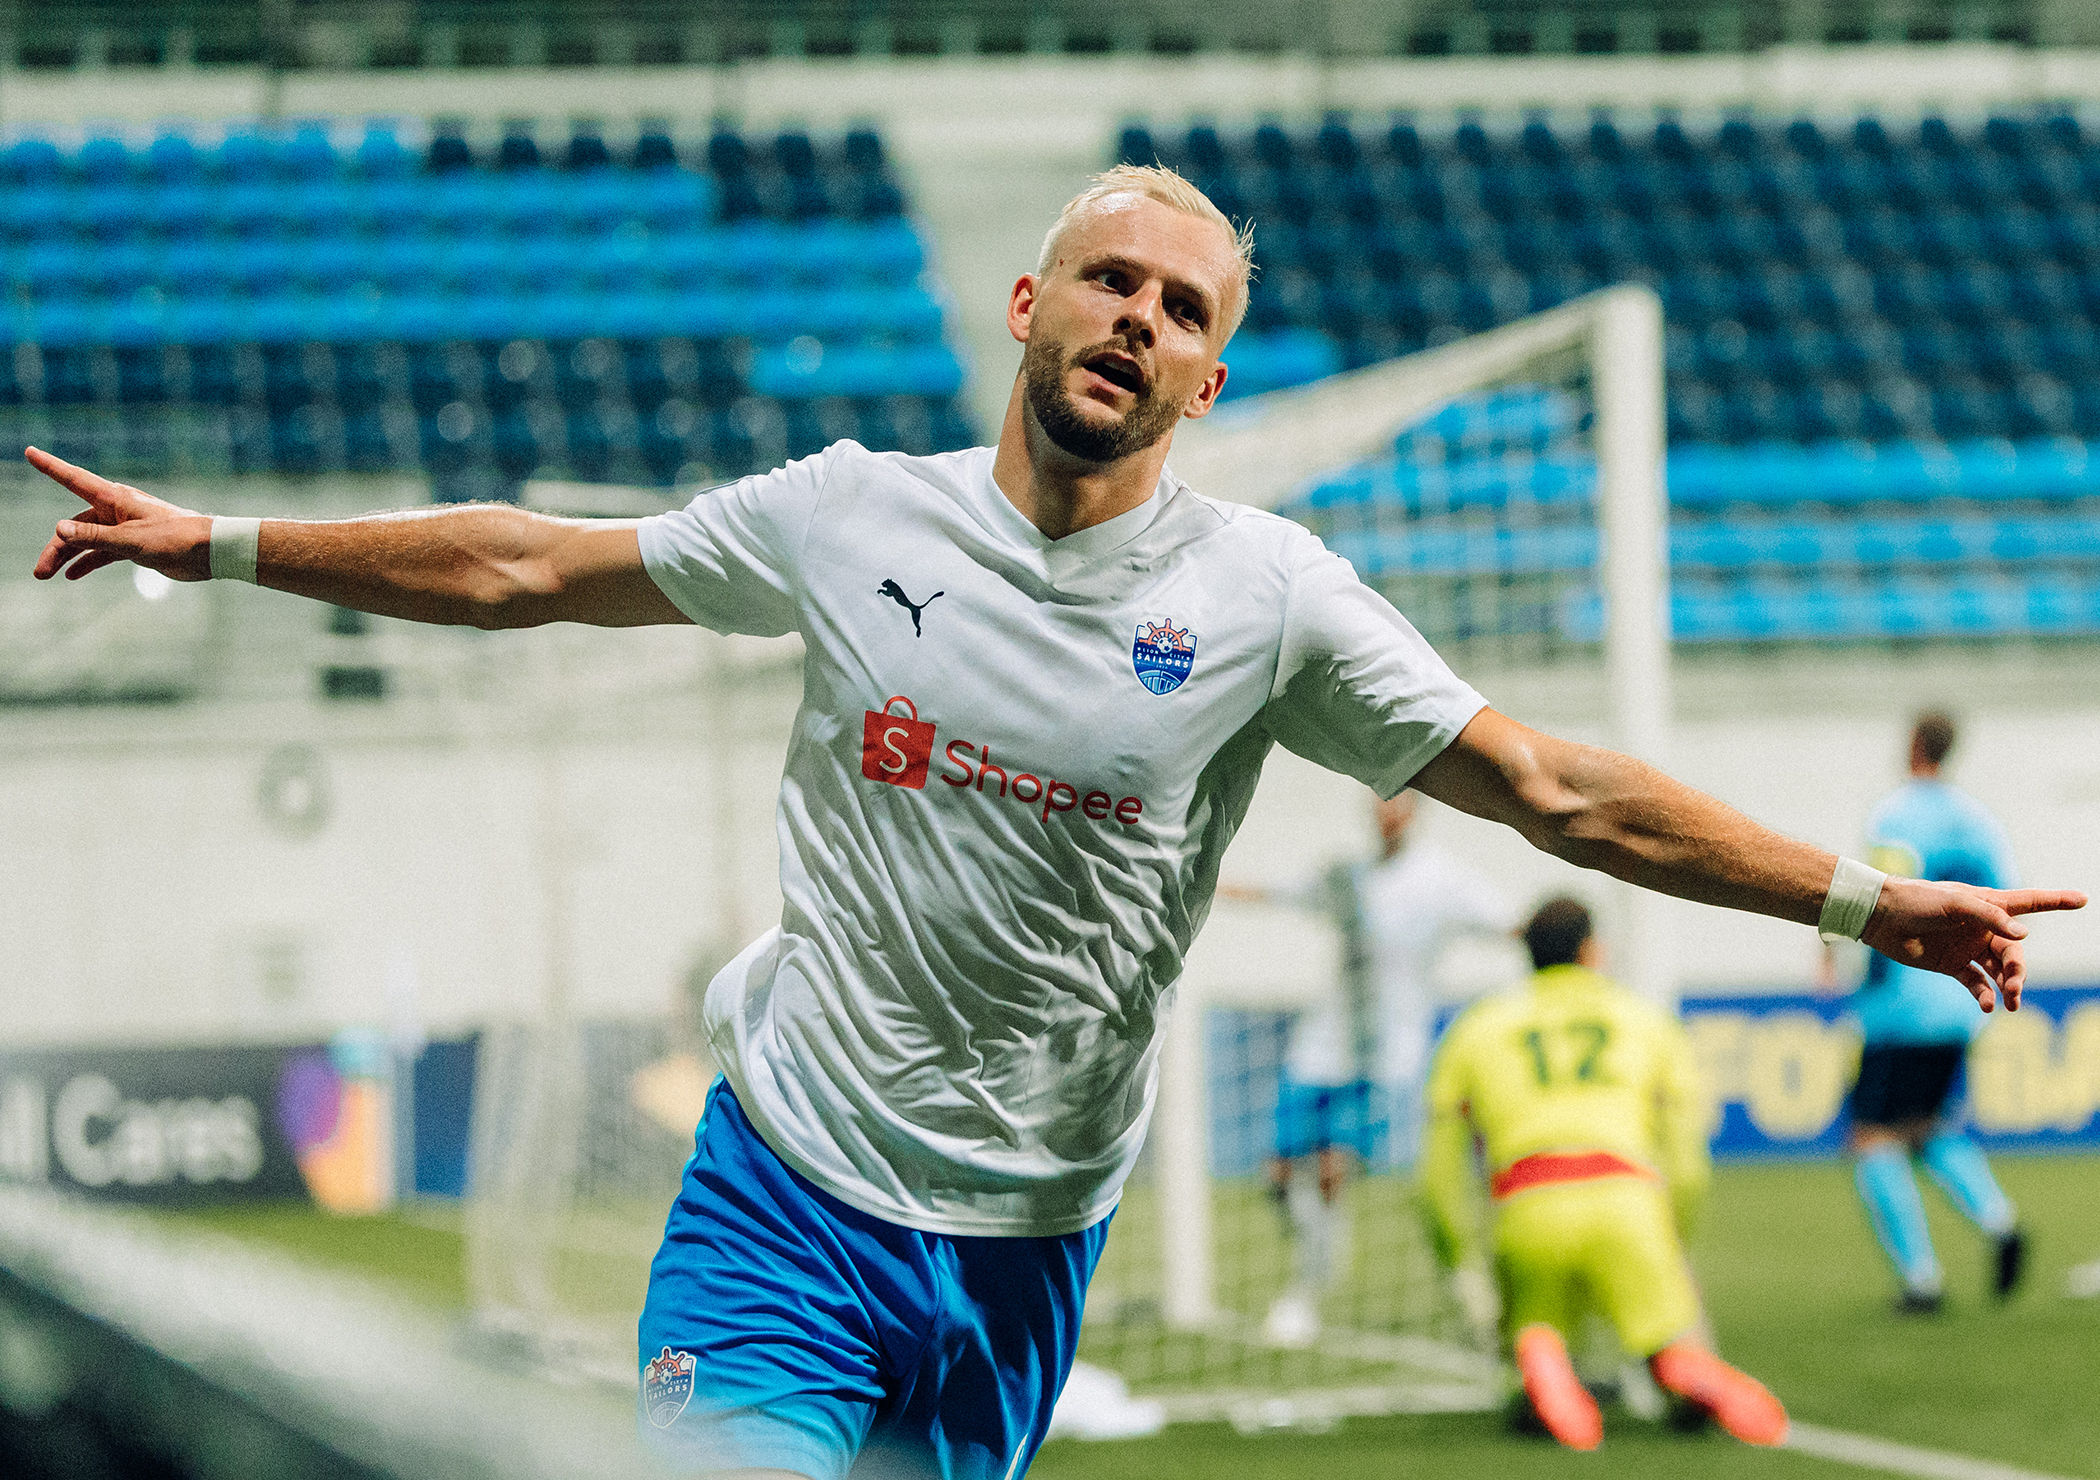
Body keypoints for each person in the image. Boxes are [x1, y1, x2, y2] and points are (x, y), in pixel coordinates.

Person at [26, 164, 2080, 1480]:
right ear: (1027, 302)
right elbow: (527, 568)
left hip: (1032, 1242)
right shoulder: (849, 515)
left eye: (1185, 309)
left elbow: (1550, 786)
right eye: (1111, 280)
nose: (1140, 321)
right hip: (792, 1194)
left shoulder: (1268, 594)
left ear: (1211, 373)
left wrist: (1867, 892)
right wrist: (214, 541)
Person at [1422, 897, 1787, 1451]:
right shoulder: (1644, 1017)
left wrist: (1458, 1257)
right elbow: (1687, 1163)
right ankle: (1679, 1365)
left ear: (1525, 951)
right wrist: (1674, 1237)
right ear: (1592, 949)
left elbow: (1436, 1179)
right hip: (1625, 1195)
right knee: (1668, 1318)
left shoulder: (1477, 1026)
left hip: (1528, 1199)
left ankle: (1538, 1360)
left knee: (1534, 1314)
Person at [1227, 788, 1517, 1347]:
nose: (1388, 814)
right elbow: (1281, 893)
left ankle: (1305, 1294)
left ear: (1417, 812)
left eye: (1400, 804)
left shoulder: (1442, 880)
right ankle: (1321, 1249)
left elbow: (1507, 922)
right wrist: (1204, 881)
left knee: (1335, 1168)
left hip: (1385, 1055)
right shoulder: (1347, 877)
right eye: (1381, 803)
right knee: (1279, 1173)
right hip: (1319, 1045)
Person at [1841, 711, 2028, 1312]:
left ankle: (1921, 1280)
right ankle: (1998, 1220)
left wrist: (1858, 978)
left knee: (1872, 1137)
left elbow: (1881, 898)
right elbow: (2003, 906)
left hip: (1902, 999)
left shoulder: (1896, 814)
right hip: (1960, 1000)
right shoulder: (1978, 824)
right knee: (1926, 1127)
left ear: (1915, 745)